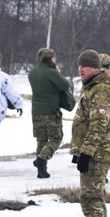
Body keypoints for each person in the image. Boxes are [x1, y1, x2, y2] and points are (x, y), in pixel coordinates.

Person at [70, 49, 110, 217]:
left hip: (97, 154)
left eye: (86, 66)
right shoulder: (91, 87)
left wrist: (87, 152)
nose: (81, 69)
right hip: (94, 152)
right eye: (79, 66)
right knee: (95, 197)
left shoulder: (101, 90)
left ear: (96, 68)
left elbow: (98, 125)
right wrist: (79, 151)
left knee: (91, 199)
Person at [28, 47, 71, 179]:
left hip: (36, 112)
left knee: (41, 140)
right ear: (49, 59)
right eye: (54, 58)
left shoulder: (32, 73)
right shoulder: (51, 73)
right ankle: (41, 158)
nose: (55, 59)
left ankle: (42, 170)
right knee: (56, 138)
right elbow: (65, 85)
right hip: (51, 112)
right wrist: (57, 72)